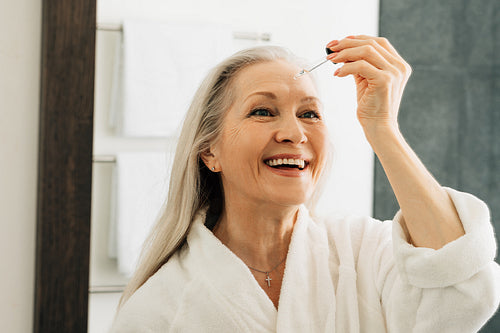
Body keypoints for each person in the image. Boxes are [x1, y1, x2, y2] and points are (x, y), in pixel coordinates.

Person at [110, 36, 500, 332]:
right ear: (210, 152)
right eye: (263, 111)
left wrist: (383, 128)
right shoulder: (157, 310)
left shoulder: (363, 250)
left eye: (309, 113)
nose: (294, 133)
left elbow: (462, 292)